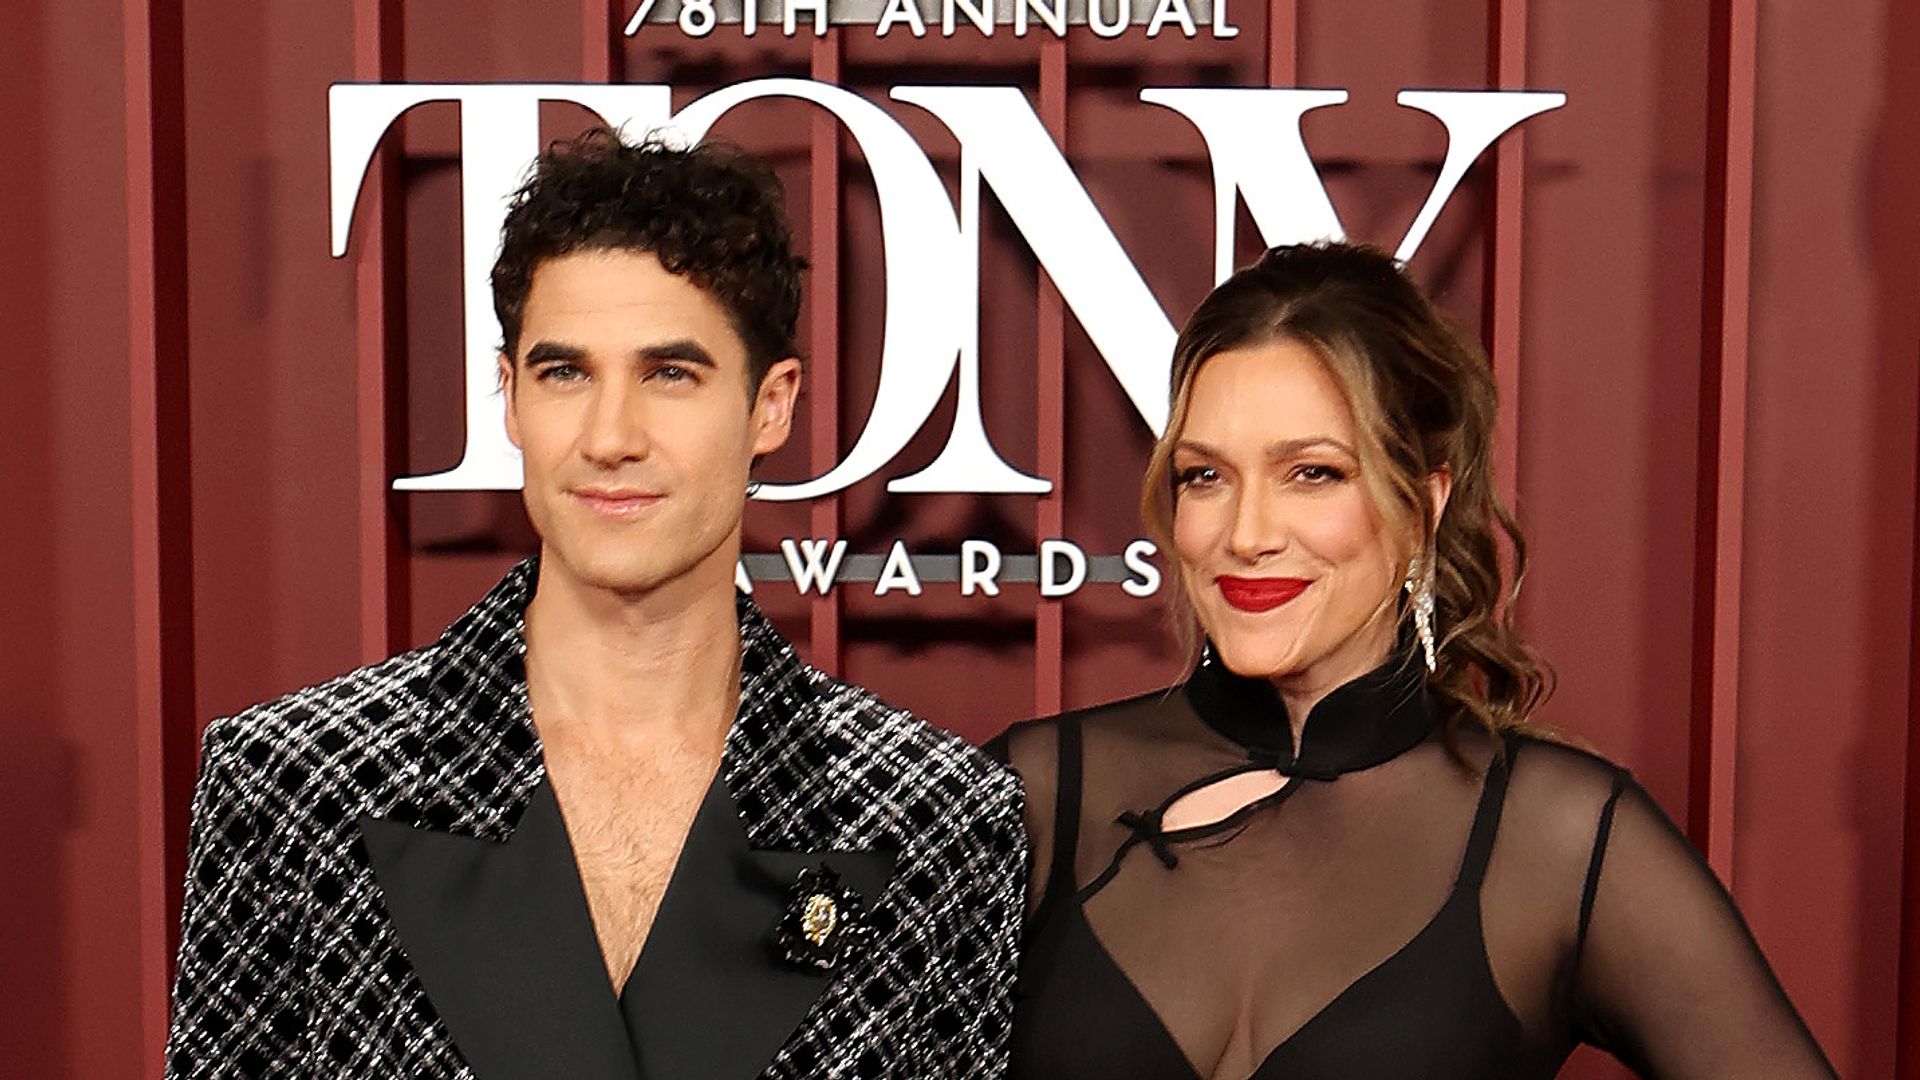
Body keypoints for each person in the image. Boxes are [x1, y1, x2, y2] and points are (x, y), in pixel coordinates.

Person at [165, 129, 1025, 1079]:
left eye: (670, 374)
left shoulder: (936, 818)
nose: (611, 436)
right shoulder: (294, 784)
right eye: (565, 373)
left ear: (771, 406)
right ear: (509, 399)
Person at [990, 241, 1834, 1079]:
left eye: (1312, 473)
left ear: (1423, 501)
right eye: (1206, 476)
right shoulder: (1031, 792)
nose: (1245, 534)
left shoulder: (1555, 840)